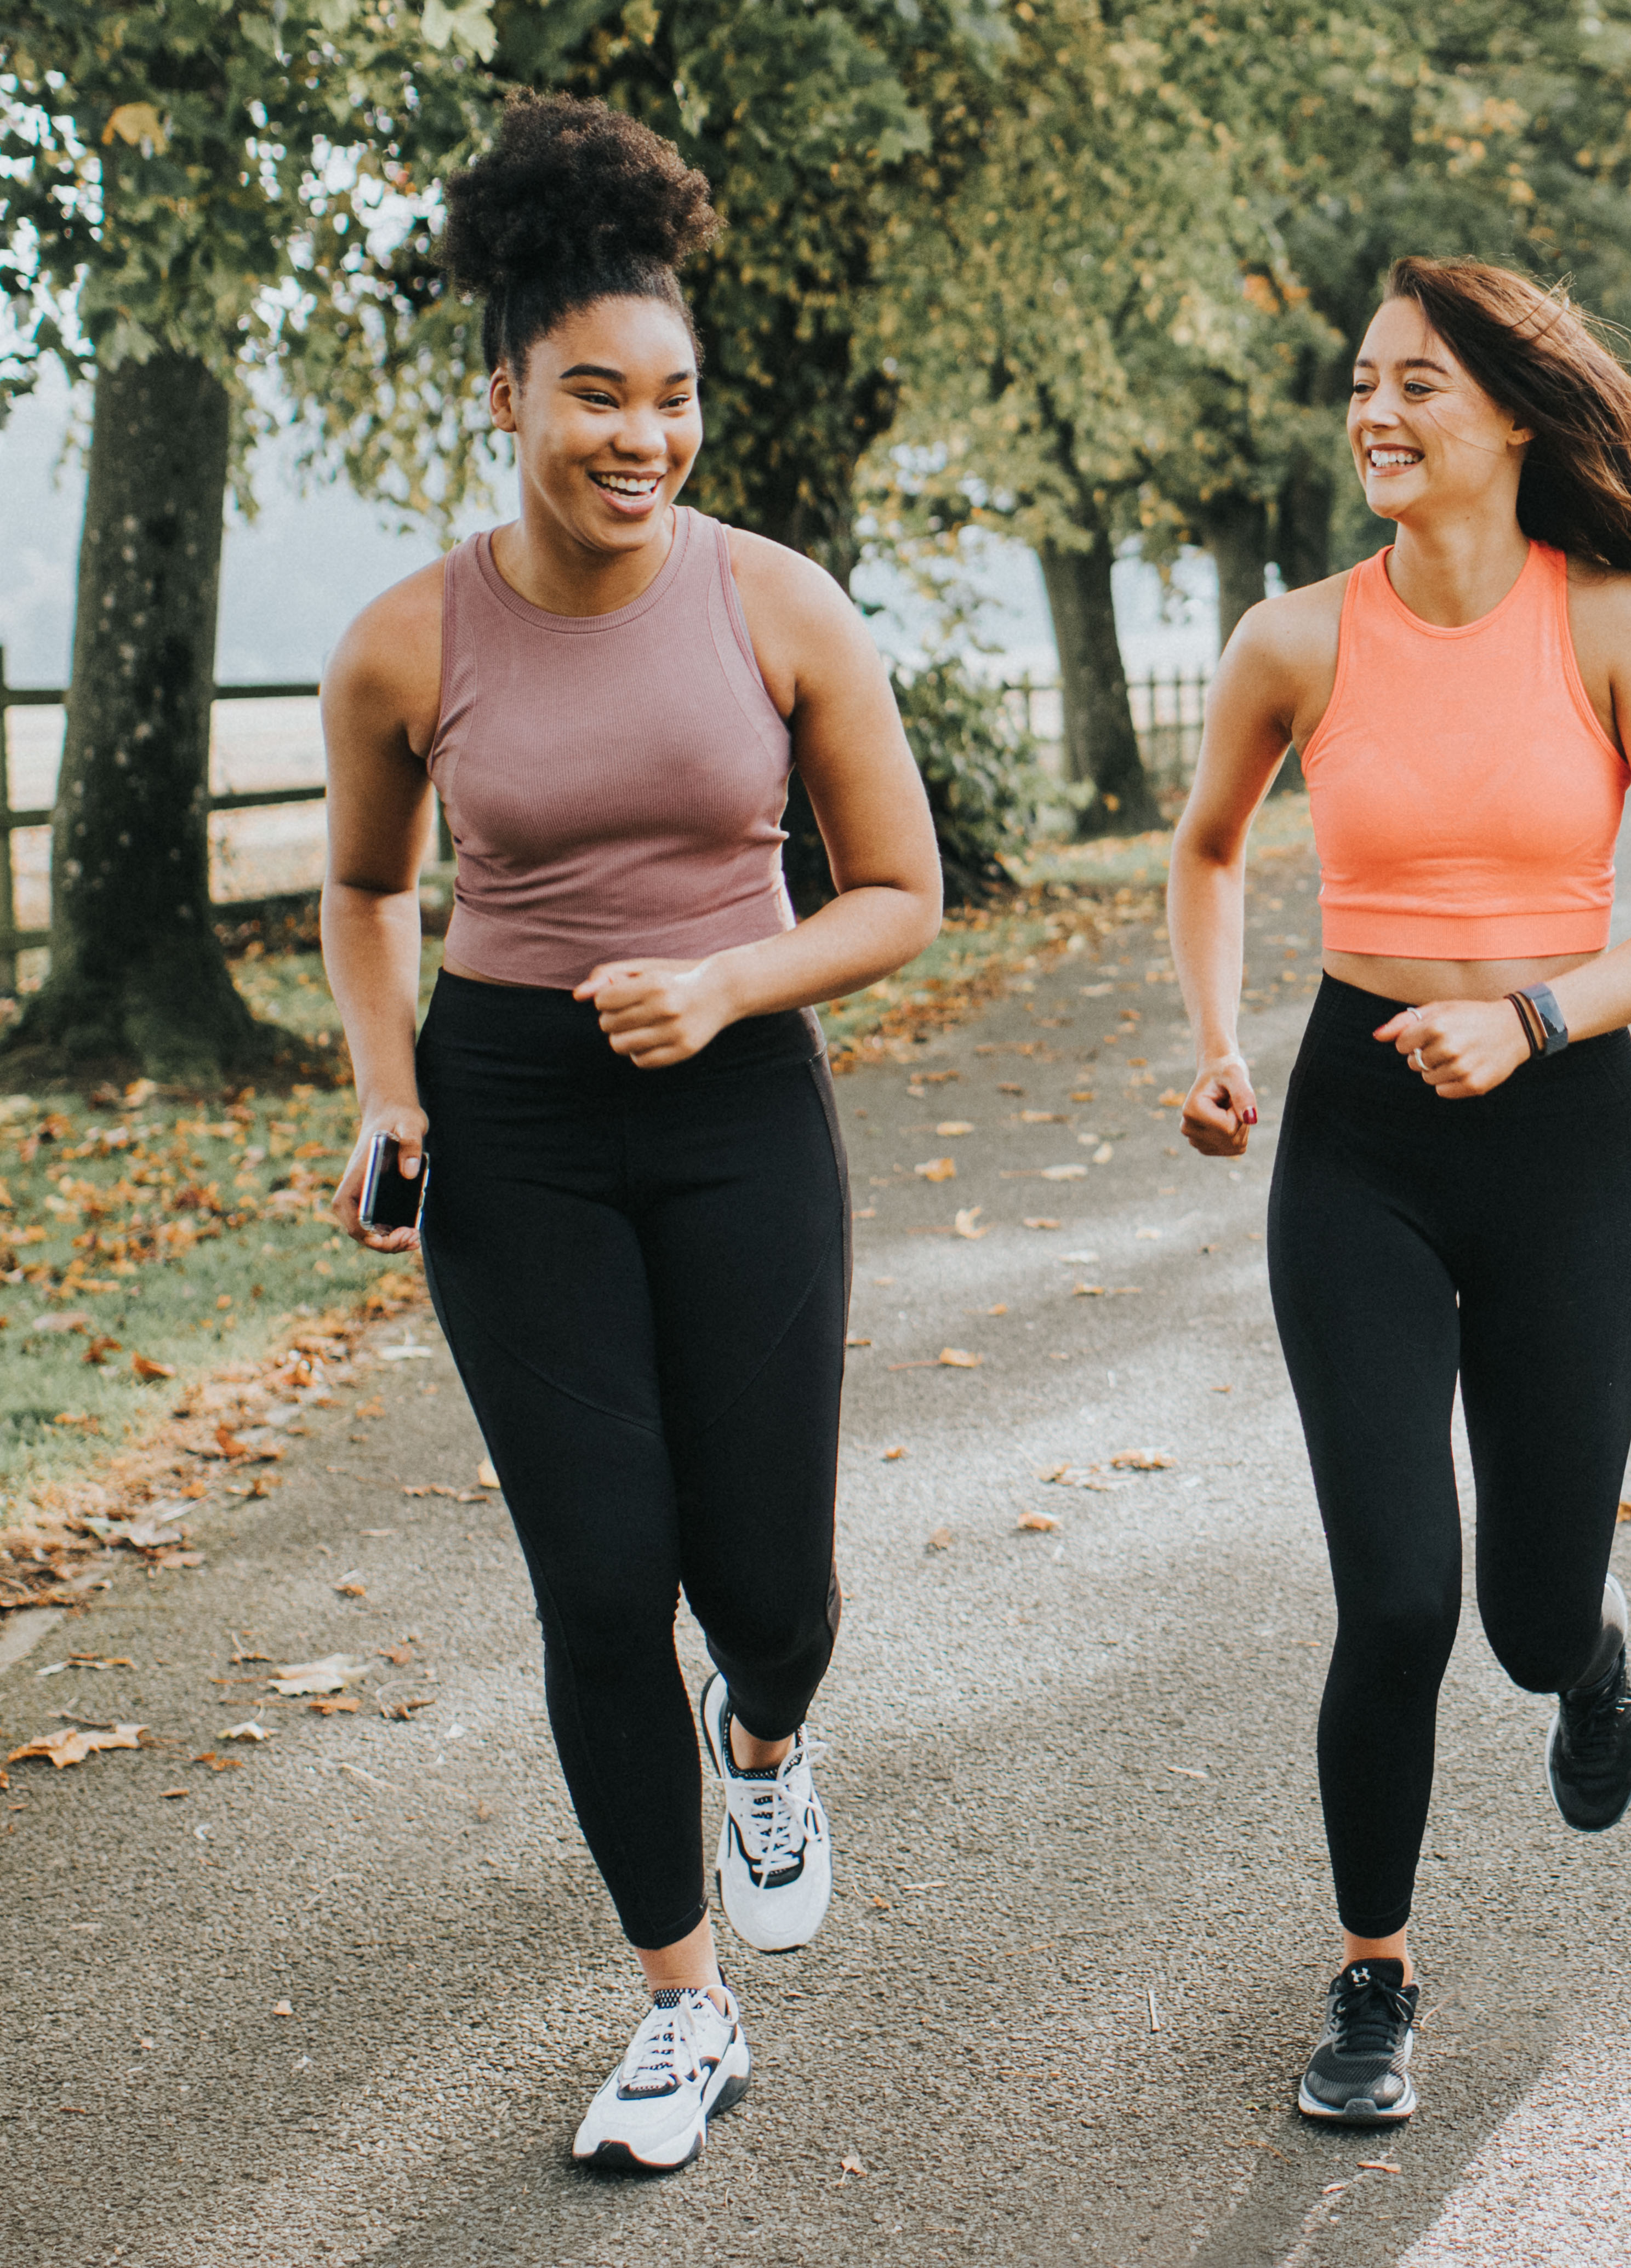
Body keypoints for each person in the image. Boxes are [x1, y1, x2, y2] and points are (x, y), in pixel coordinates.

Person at [1168, 256, 1631, 2124]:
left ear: (1512, 413)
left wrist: (1533, 1018)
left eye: (1420, 384)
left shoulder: (1613, 628)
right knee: (1399, 1598)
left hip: (1563, 1127)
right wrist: (1214, 1040)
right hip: (1359, 1136)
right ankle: (1372, 1977)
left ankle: (1586, 1644)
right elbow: (1205, 850)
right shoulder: (1296, 639)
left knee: (1517, 1613)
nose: (1378, 414)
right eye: (1362, 382)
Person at [315, 94, 943, 2172]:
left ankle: (765, 1737)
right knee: (601, 1575)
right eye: (596, 394)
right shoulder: (410, 640)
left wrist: (733, 982)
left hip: (742, 1103)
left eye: (671, 398)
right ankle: (684, 2005)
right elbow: (365, 884)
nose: (641, 437)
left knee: (770, 1583)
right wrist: (393, 1084)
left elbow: (902, 893)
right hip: (518, 1124)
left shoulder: (777, 605)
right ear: (507, 394)